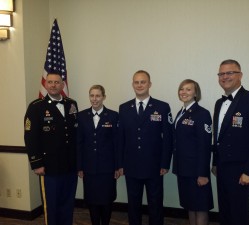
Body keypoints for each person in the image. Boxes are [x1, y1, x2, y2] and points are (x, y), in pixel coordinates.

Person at [212, 59, 249, 225]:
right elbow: (218, 138)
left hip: (242, 170)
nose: (225, 77)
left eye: (230, 72)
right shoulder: (219, 103)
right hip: (223, 168)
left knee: (239, 215)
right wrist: (215, 163)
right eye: (221, 74)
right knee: (225, 212)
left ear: (240, 75)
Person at [118, 70, 173, 225]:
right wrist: (120, 164)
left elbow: (168, 138)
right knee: (133, 204)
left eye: (143, 82)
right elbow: (120, 139)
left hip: (154, 166)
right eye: (136, 82)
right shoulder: (124, 108)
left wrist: (164, 163)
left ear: (149, 84)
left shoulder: (162, 107)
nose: (140, 85)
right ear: (132, 85)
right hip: (131, 165)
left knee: (155, 204)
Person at [24, 73, 78, 225]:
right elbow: (30, 137)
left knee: (68, 204)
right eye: (50, 82)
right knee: (51, 206)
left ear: (62, 85)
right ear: (45, 84)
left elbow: (74, 134)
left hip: (70, 166)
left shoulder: (71, 104)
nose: (53, 85)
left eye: (57, 82)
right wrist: (36, 163)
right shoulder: (36, 107)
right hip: (49, 167)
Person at [77, 85, 119, 225]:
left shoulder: (113, 116)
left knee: (107, 200)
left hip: (107, 168)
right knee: (92, 200)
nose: (94, 99)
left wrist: (118, 166)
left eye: (98, 96)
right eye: (92, 95)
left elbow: (117, 143)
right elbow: (79, 143)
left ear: (104, 97)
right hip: (89, 168)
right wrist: (80, 166)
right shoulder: (81, 116)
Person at [173, 79, 213, 225]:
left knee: (200, 207)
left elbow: (204, 145)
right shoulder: (181, 112)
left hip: (196, 170)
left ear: (196, 93)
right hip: (184, 169)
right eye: (182, 89)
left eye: (188, 89)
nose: (184, 92)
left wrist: (203, 173)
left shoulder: (202, 113)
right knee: (190, 205)